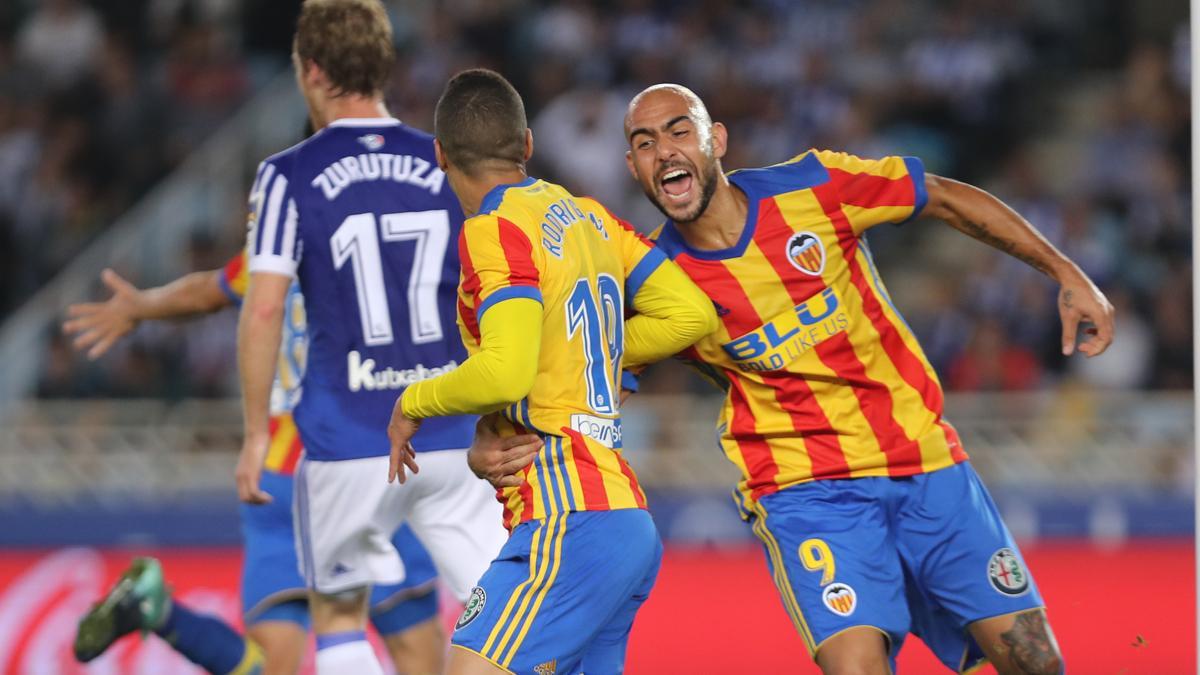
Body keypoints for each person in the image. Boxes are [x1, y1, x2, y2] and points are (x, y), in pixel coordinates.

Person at [474, 84, 1113, 674]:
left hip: (926, 462)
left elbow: (941, 195)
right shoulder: (652, 279)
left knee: (1033, 662)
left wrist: (1066, 273)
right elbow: (577, 372)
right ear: (633, 168)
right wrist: (488, 432)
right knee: (856, 666)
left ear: (714, 140)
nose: (664, 151)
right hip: (807, 492)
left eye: (678, 132)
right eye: (644, 144)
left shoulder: (815, 186)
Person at [386, 69, 717, 675]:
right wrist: (585, 356)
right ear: (529, 145)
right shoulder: (587, 214)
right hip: (621, 512)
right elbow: (690, 313)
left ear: (440, 154)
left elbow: (506, 374)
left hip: (569, 515)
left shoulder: (494, 229)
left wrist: (413, 403)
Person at [237, 3, 507, 673]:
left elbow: (264, 309)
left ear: (311, 71)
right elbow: (498, 283)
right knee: (506, 610)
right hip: (448, 432)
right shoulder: (444, 160)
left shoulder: (287, 174)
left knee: (339, 612)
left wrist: (252, 437)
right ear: (384, 66)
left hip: (346, 437)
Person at [64, 252, 448, 674]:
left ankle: (162, 614)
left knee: (269, 667)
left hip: (276, 481)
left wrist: (143, 305)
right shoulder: (375, 241)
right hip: (357, 471)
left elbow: (206, 292)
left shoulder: (272, 253)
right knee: (421, 662)